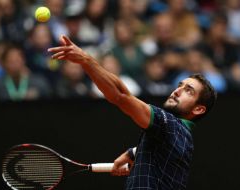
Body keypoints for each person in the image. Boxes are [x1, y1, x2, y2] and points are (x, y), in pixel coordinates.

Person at [48, 35, 217, 190]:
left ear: (198, 109)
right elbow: (122, 90)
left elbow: (120, 95)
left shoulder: (171, 125)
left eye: (189, 90)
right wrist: (132, 154)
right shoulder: (180, 138)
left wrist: (85, 60)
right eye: (180, 85)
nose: (177, 90)